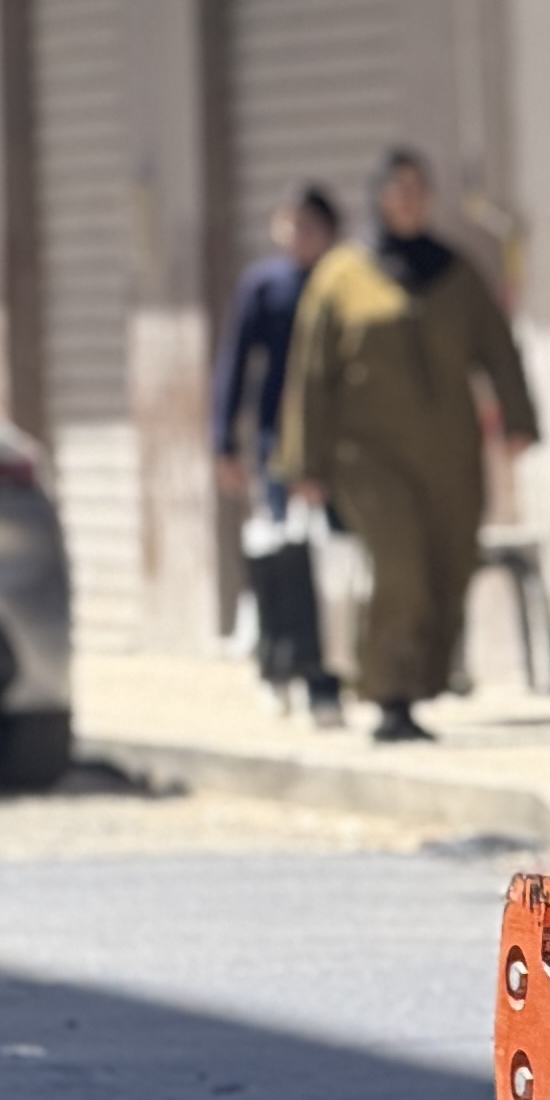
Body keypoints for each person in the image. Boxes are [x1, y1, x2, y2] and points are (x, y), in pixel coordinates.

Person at [281, 148, 539, 744]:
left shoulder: (456, 271)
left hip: (449, 452)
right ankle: (388, 693)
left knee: (450, 564)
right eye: (398, 189)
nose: (408, 200)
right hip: (367, 456)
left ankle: (420, 686)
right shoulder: (340, 277)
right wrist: (303, 463)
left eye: (418, 189)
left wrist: (518, 420)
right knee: (400, 568)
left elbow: (497, 348)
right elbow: (310, 376)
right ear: (377, 196)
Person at [214, 183, 343, 723]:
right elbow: (235, 364)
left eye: (309, 225)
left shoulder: (343, 284)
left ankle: (327, 678)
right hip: (278, 446)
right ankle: (278, 665)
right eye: (290, 224)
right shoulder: (263, 286)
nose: (298, 236)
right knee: (282, 559)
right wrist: (223, 441)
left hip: (338, 447)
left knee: (335, 569)